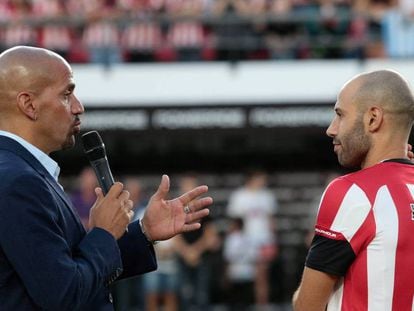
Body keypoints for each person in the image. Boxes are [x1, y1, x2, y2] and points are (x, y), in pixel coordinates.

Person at [0, 45, 213, 311]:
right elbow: (63, 293)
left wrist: (143, 231)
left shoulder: (24, 171)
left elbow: (75, 267)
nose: (78, 107)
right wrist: (102, 232)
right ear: (29, 105)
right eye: (67, 94)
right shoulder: (17, 180)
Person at [292, 69, 414, 311]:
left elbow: (307, 306)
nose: (331, 129)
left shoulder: (352, 192)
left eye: (340, 115)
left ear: (373, 118)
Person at [226, 170, 278, 307]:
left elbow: (271, 221)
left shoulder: (267, 196)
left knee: (262, 277)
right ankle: (242, 305)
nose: (263, 181)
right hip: (244, 242)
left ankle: (262, 305)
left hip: (263, 241)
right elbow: (234, 222)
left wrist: (273, 241)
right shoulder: (239, 196)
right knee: (242, 277)